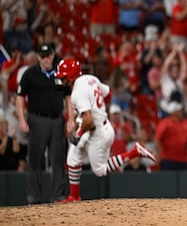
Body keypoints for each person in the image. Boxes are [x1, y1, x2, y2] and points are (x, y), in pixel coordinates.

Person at [53, 58, 156, 203]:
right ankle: (74, 197)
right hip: (100, 126)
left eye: (63, 77)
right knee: (72, 157)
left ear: (70, 76)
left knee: (100, 171)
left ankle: (134, 152)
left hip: (97, 132)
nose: (61, 80)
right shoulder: (90, 78)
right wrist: (99, 110)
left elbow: (88, 120)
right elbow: (107, 93)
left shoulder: (77, 92)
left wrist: (78, 134)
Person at [16, 44, 74, 204]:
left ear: (53, 55)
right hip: (37, 119)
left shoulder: (61, 74)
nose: (47, 59)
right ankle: (34, 197)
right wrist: (21, 118)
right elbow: (20, 96)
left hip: (57, 119)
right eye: (43, 56)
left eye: (49, 55)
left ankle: (58, 196)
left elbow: (68, 97)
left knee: (58, 159)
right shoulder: (29, 74)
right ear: (39, 58)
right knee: (35, 159)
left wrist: (71, 118)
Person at [154, 101, 187, 170]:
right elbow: (157, 139)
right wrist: (158, 154)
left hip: (183, 159)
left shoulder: (185, 122)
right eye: (178, 110)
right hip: (168, 159)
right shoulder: (165, 123)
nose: (181, 112)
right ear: (173, 112)